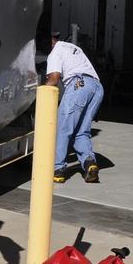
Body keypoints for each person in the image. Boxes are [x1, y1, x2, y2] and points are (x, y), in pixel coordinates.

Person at [45, 31, 104, 184]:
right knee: (81, 132)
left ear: (51, 41)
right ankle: (89, 163)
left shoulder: (54, 53)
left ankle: (58, 169)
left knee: (63, 128)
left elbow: (53, 79)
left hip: (78, 85)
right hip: (97, 87)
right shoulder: (71, 47)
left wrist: (39, 96)